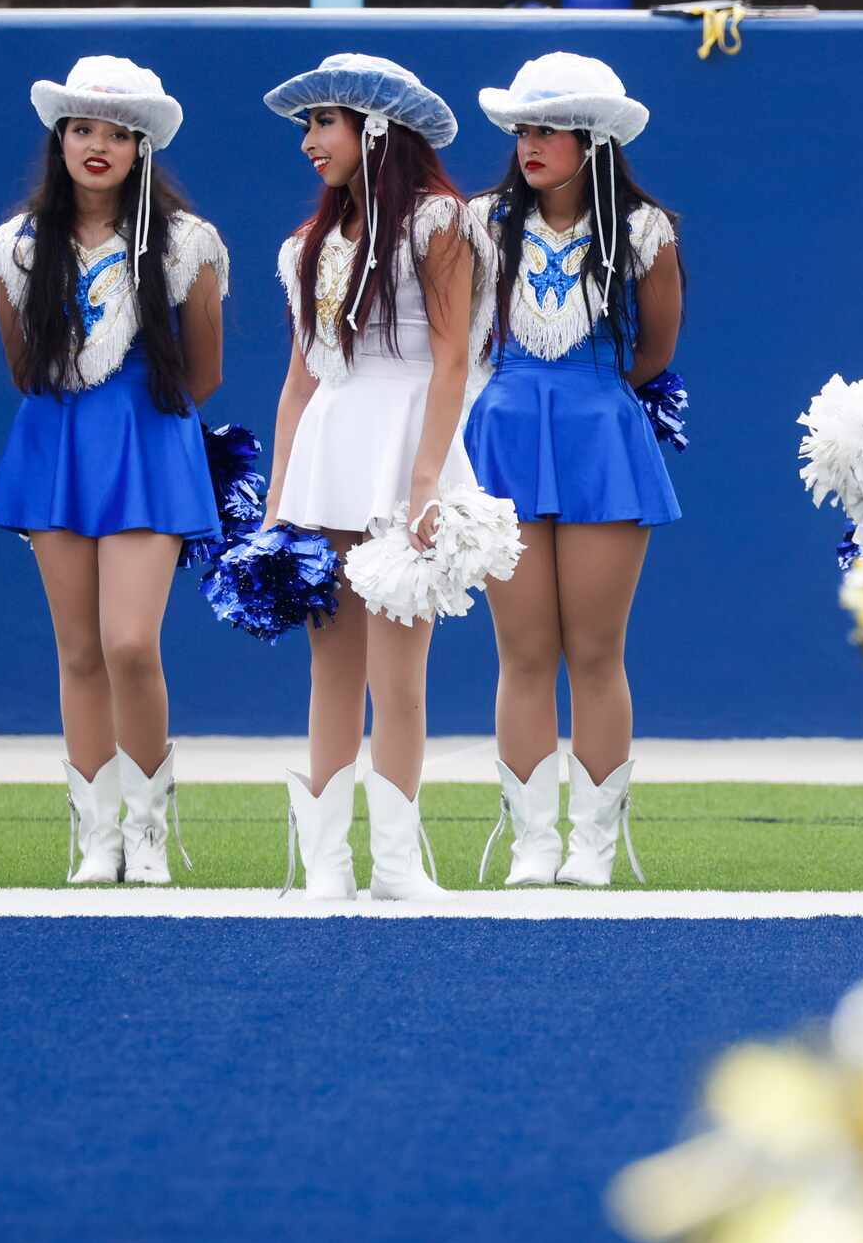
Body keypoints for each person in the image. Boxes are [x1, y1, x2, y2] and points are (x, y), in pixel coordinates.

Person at [257, 53, 503, 902]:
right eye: (306, 128)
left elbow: (449, 362)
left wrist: (427, 480)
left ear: (374, 127)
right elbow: (298, 383)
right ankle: (326, 863)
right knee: (333, 669)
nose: (309, 145)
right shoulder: (305, 246)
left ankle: (396, 864)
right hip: (332, 451)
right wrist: (277, 504)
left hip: (407, 450)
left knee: (400, 679)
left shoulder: (441, 222)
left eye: (322, 124)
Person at [0, 56, 228, 886]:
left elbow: (203, 374)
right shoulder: (16, 247)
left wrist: (134, 411)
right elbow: (23, 369)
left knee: (130, 642)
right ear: (59, 141)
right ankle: (96, 833)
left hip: (148, 445)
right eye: (81, 128)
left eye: (115, 132)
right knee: (79, 650)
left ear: (140, 148)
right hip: (55, 446)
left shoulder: (186, 245)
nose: (97, 144)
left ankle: (150, 827)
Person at [464, 52, 684, 888]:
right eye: (522, 128)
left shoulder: (643, 230)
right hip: (506, 435)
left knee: (595, 649)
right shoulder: (481, 222)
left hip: (601, 435)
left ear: (592, 139)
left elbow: (657, 348)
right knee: (522, 651)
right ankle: (532, 841)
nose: (530, 143)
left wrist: (591, 397)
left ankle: (592, 840)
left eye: (548, 128)